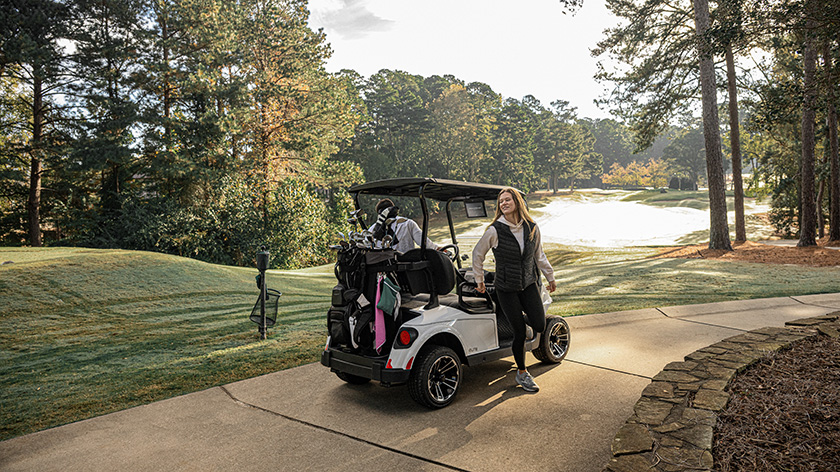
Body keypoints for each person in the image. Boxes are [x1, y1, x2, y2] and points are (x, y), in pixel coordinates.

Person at [472, 188, 556, 393]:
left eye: (507, 200)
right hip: (506, 288)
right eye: (501, 201)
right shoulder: (494, 230)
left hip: (528, 284)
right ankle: (522, 373)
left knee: (539, 323)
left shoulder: (532, 227)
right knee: (519, 332)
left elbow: (539, 255)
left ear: (517, 202)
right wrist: (480, 281)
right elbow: (477, 254)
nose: (504, 204)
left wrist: (550, 277)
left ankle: (520, 318)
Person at [372, 198, 439, 254]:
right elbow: (427, 244)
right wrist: (441, 249)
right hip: (408, 266)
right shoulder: (407, 223)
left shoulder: (373, 229)